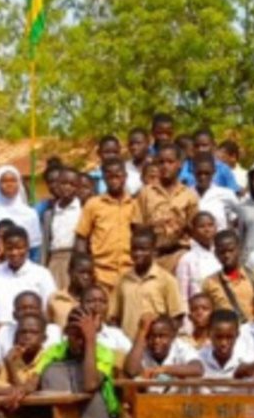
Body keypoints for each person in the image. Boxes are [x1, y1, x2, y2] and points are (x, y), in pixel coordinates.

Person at [109, 226, 184, 342]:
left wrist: (165, 342)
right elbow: (114, 316)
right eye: (134, 249)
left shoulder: (166, 280)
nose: (138, 253)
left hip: (154, 347)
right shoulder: (122, 280)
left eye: (143, 249)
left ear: (154, 251)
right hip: (128, 345)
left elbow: (176, 317)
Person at [0, 225, 56, 333]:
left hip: (34, 336)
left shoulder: (42, 275)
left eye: (19, 248)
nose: (15, 253)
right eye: (10, 249)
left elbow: (50, 314)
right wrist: (5, 329)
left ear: (28, 246)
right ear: (3, 248)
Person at [73, 157, 135, 291]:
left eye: (118, 176)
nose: (114, 180)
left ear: (125, 176)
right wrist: (84, 269)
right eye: (109, 176)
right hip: (101, 275)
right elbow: (81, 238)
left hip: (129, 274)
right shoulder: (93, 204)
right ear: (104, 178)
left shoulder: (135, 204)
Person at [134, 141, 197, 272]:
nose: (165, 166)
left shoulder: (189, 195)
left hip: (180, 257)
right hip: (153, 257)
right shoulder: (146, 193)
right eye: (161, 162)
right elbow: (138, 226)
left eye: (170, 162)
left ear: (179, 164)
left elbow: (194, 229)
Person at [38, 166, 81, 287]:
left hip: (74, 259)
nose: (67, 187)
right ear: (57, 185)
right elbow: (46, 243)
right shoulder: (49, 214)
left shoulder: (83, 211)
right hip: (55, 260)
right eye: (64, 183)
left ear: (77, 187)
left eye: (72, 184)